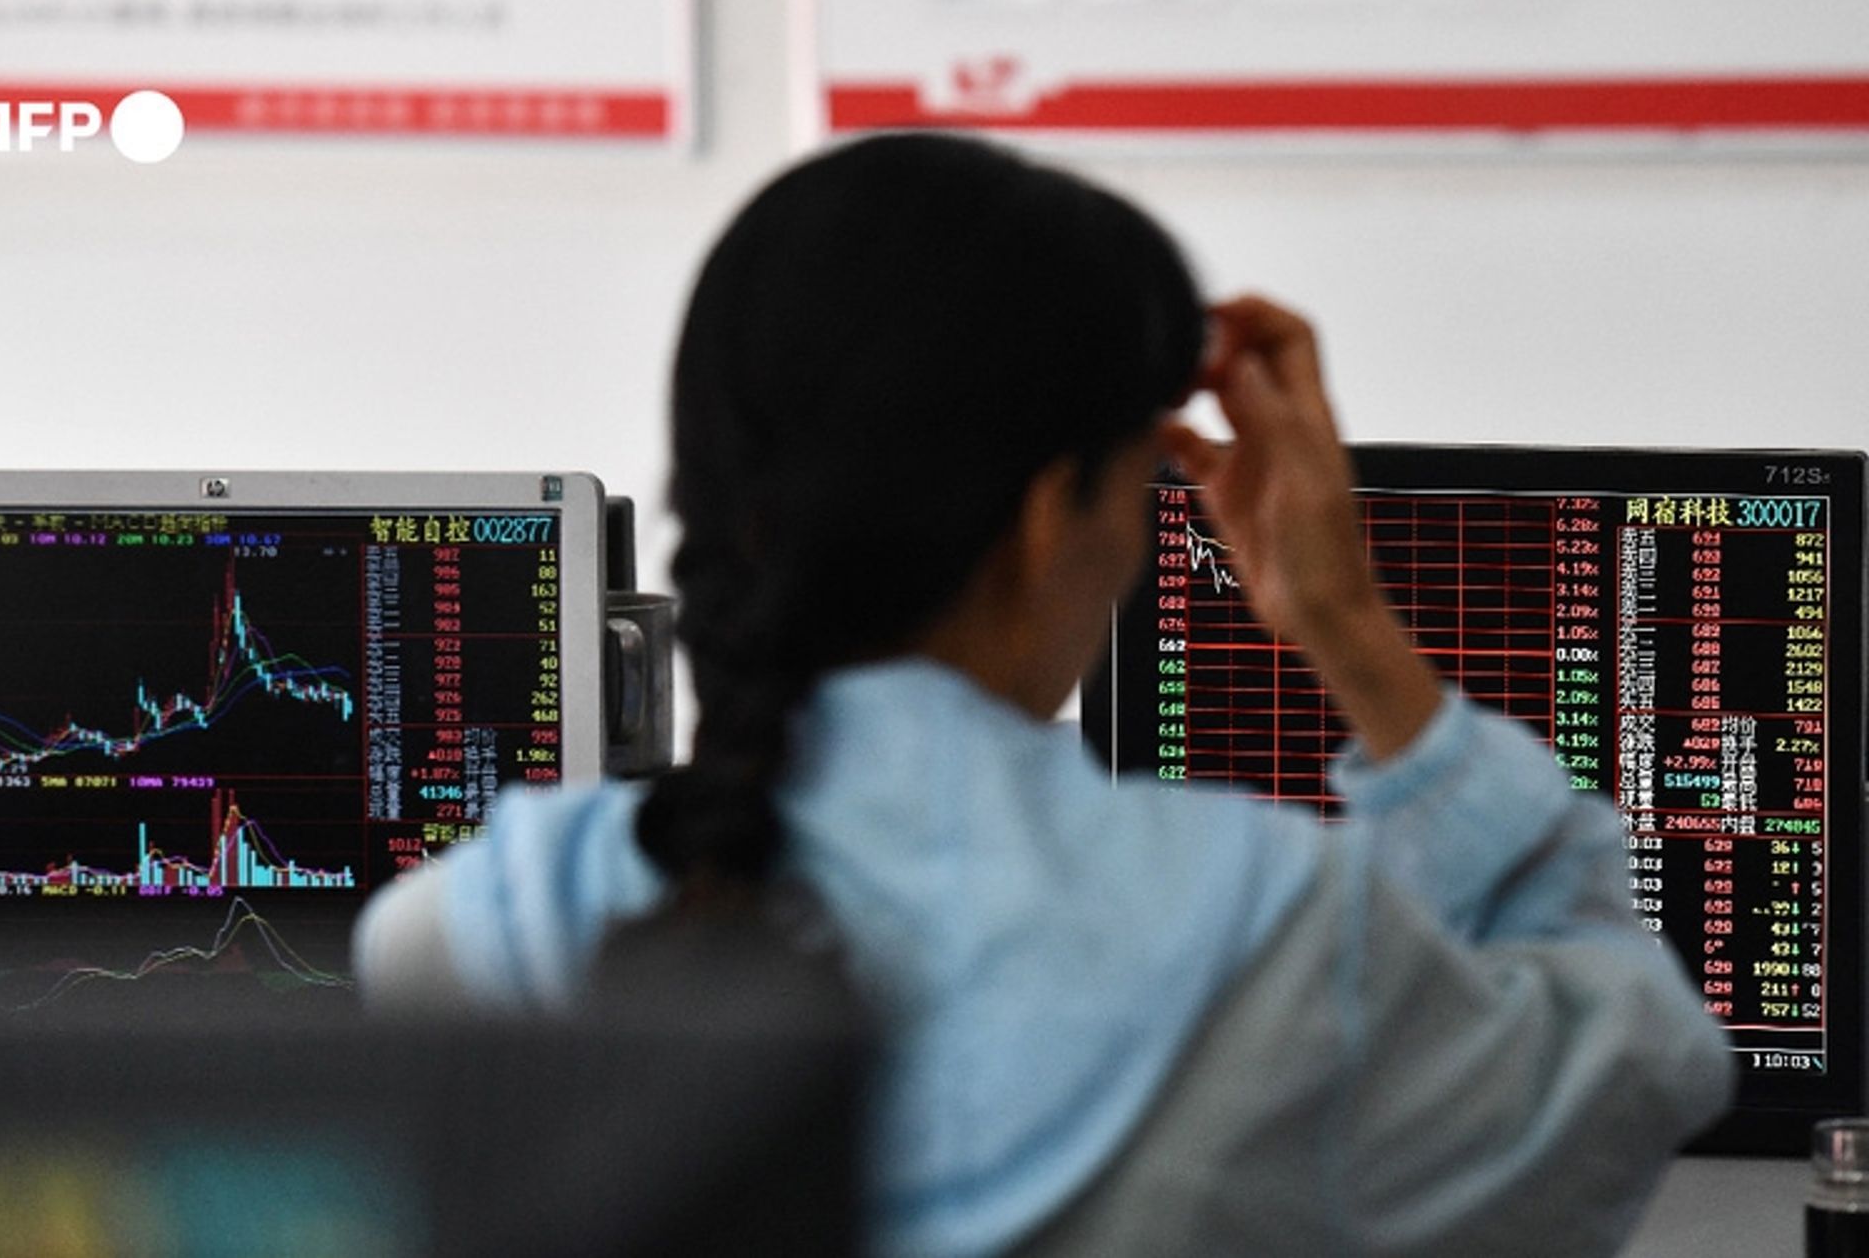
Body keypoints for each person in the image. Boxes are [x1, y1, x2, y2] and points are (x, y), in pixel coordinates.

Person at [353, 132, 1731, 1256]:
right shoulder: (1289, 949)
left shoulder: (454, 949)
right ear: (1049, 515)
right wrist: (1349, 625)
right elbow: (1641, 1067)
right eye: (1140, 477)